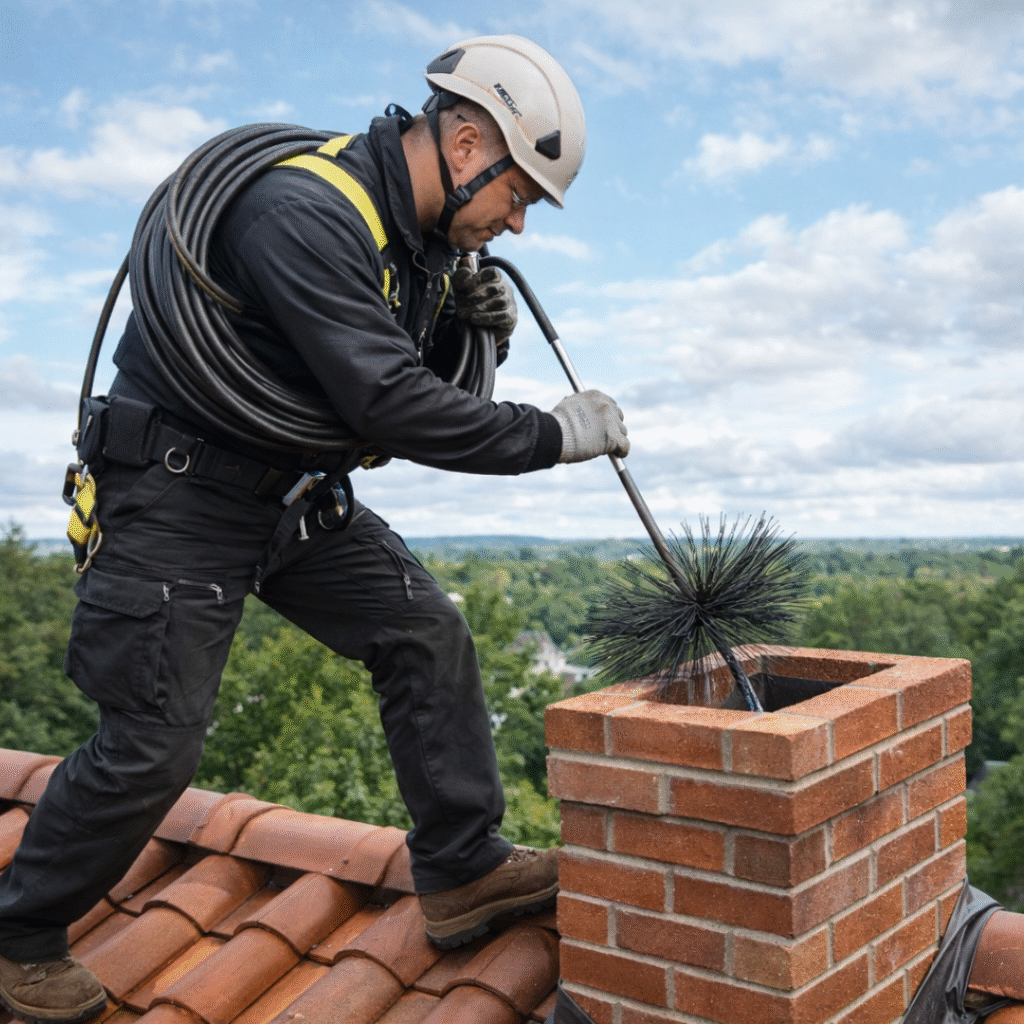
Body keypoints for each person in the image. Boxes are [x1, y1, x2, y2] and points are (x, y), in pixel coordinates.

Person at [0, 34, 628, 1024]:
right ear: (468, 144)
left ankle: (462, 868)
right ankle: (19, 936)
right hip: (177, 492)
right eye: (518, 197)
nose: (516, 223)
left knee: (423, 629)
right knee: (156, 741)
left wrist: (469, 326)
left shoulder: (413, 247)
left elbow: (408, 379)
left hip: (287, 496)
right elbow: (388, 401)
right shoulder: (301, 210)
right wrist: (554, 434)